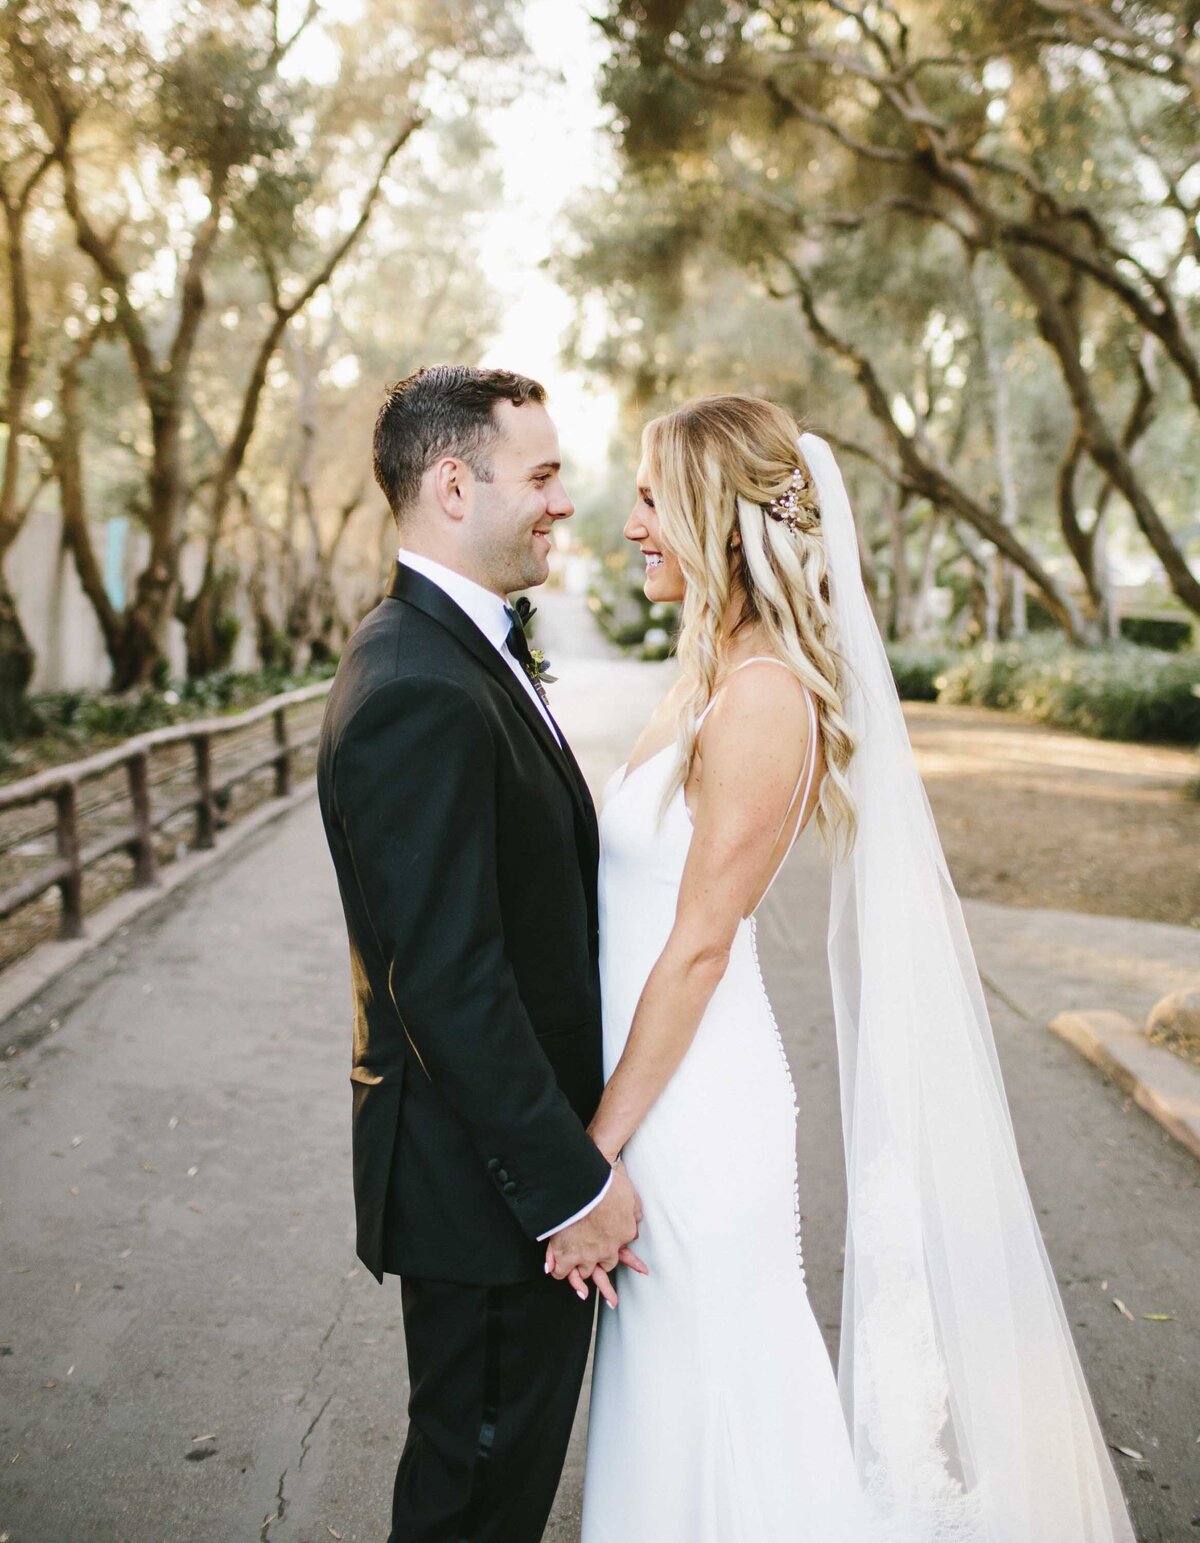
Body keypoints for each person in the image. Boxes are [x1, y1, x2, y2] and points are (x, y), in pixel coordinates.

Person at [571, 393, 1136, 1543]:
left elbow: (699, 944)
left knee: (722, 1395)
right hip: (657, 1089)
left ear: (716, 517)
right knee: (675, 1397)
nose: (627, 522)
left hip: (693, 1105)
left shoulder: (769, 694)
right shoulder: (709, 673)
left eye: (648, 497)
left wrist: (593, 1148)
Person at [317, 364, 643, 1543]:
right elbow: (448, 980)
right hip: (493, 1190)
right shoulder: (416, 684)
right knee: (474, 1501)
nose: (563, 500)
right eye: (544, 473)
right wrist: (572, 1188)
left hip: (504, 1175)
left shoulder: (461, 650)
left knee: (487, 1486)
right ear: (454, 485)